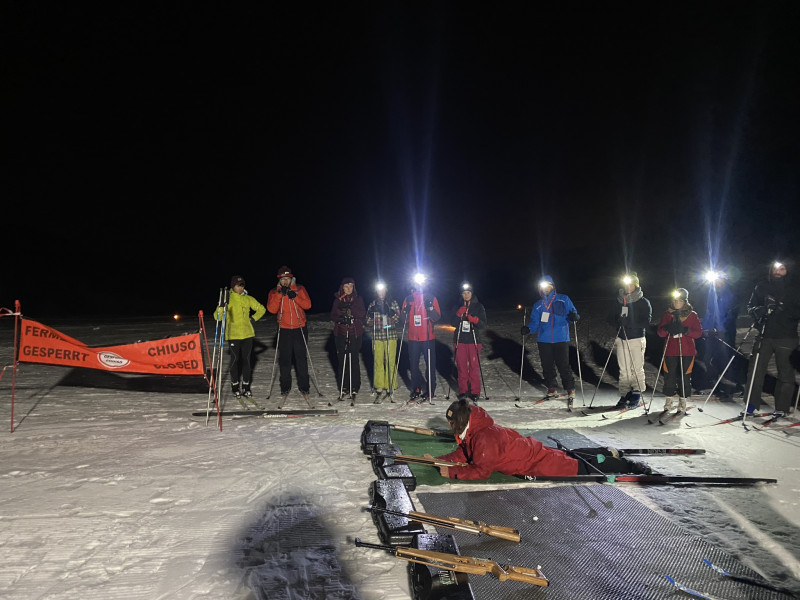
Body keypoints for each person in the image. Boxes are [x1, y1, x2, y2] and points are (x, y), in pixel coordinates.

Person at [427, 399, 651, 480]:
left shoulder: (484, 438)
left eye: (452, 422)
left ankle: (628, 465)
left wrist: (453, 471)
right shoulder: (475, 428)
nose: (450, 427)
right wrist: (440, 460)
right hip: (532, 453)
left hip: (536, 463)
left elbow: (481, 470)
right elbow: (464, 454)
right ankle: (605, 450)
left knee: (578, 467)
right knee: (568, 456)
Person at [744, 260, 800, 417]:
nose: (778, 271)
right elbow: (750, 307)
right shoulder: (762, 286)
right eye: (776, 268)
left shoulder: (794, 288)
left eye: (782, 268)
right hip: (764, 334)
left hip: (787, 337)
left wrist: (783, 309)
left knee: (786, 374)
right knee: (755, 370)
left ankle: (781, 407)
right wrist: (761, 310)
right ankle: (750, 404)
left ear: (787, 270)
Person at [520, 275, 579, 401]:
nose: (546, 288)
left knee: (563, 364)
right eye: (543, 286)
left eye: (548, 286)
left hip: (561, 337)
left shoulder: (563, 299)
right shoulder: (538, 305)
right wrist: (528, 329)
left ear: (552, 286)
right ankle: (551, 388)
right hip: (544, 339)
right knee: (547, 365)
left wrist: (574, 317)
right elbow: (535, 322)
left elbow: (572, 314)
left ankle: (570, 388)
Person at [214, 275, 266, 401]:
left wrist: (252, 319)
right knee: (235, 360)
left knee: (247, 361)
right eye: (238, 285)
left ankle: (246, 387)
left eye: (242, 285)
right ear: (233, 286)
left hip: (247, 335)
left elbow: (261, 309)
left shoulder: (248, 298)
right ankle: (235, 387)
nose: (241, 288)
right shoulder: (228, 299)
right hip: (233, 335)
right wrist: (221, 305)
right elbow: (217, 317)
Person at [266, 266, 312, 404]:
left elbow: (308, 305)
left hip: (299, 328)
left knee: (301, 359)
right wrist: (280, 294)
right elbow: (272, 309)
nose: (286, 281)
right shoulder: (274, 292)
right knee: (285, 360)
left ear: (291, 278)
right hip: (284, 329)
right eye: (283, 279)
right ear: (280, 280)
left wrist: (295, 295)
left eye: (288, 278)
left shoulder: (300, 289)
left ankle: (304, 387)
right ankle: (285, 387)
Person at [609, 272, 652, 408]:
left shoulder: (643, 301)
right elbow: (609, 318)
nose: (628, 287)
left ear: (636, 285)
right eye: (626, 284)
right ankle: (624, 393)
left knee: (636, 368)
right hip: (621, 338)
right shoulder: (618, 300)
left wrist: (629, 323)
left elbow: (646, 321)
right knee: (624, 369)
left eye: (631, 284)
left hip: (636, 338)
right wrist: (618, 322)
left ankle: (636, 391)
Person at [656, 288, 703, 412]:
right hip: (670, 350)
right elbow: (660, 333)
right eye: (675, 300)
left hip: (687, 351)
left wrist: (687, 331)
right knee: (669, 376)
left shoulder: (692, 315)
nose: (677, 303)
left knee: (685, 376)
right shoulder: (668, 314)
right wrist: (666, 328)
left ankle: (683, 400)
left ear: (685, 302)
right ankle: (669, 400)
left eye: (680, 301)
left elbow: (698, 333)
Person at [699, 272, 740, 397]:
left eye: (719, 280)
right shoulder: (712, 294)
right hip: (712, 332)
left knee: (725, 359)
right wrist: (705, 327)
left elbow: (730, 315)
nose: (716, 282)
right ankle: (713, 383)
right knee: (708, 358)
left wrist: (722, 329)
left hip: (725, 332)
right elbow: (709, 312)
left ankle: (732, 385)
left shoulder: (729, 294)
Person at [401, 281, 441, 400]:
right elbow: (403, 320)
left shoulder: (431, 297)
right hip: (413, 338)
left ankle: (430, 390)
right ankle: (416, 388)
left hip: (427, 337)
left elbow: (436, 317)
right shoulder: (408, 299)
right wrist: (405, 311)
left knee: (430, 364)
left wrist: (430, 308)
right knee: (413, 365)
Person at [330, 277, 367, 401]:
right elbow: (333, 315)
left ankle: (355, 385)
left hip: (354, 333)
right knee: (342, 360)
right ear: (342, 287)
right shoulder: (337, 300)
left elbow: (362, 313)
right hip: (341, 333)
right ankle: (344, 386)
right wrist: (340, 316)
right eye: (346, 286)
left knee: (354, 359)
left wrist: (351, 308)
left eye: (350, 286)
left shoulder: (358, 299)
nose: (348, 289)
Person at [449, 283, 487, 401]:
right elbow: (452, 323)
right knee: (461, 367)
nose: (466, 295)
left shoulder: (478, 306)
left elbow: (483, 324)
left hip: (473, 340)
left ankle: (475, 391)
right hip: (460, 340)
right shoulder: (457, 306)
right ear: (461, 294)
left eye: (468, 293)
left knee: (474, 367)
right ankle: (463, 390)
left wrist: (474, 319)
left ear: (472, 293)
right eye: (464, 293)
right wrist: (458, 314)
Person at [365, 283, 401, 403]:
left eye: (383, 290)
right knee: (378, 360)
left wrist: (390, 312)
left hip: (390, 335)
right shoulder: (373, 304)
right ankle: (379, 385)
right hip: (377, 336)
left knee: (390, 360)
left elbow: (397, 318)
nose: (381, 293)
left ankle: (390, 384)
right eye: (379, 291)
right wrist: (370, 314)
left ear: (386, 291)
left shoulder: (393, 302)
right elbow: (368, 321)